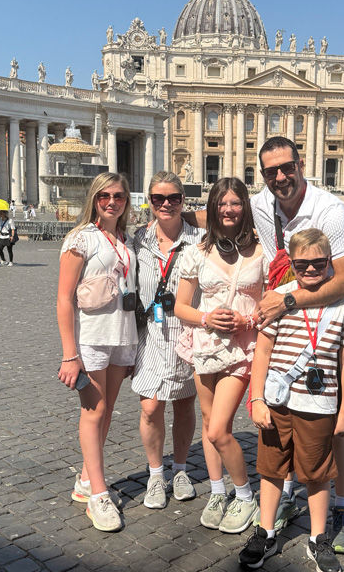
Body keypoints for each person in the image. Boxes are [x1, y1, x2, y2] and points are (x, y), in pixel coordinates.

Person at [248, 137, 344, 554]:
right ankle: (284, 495)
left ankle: (343, 505)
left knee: (336, 425)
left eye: (287, 167)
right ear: (263, 175)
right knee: (282, 416)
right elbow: (223, 214)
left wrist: (288, 300)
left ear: (300, 164)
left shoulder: (329, 209)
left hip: (329, 327)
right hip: (284, 327)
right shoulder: (262, 205)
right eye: (271, 171)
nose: (280, 177)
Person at [240, 229, 344, 572]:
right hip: (278, 401)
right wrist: (257, 399)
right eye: (302, 264)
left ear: (330, 262)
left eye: (318, 263)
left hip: (320, 404)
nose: (310, 269)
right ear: (291, 264)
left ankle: (318, 537)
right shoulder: (277, 298)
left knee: (318, 473)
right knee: (271, 468)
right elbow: (262, 353)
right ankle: (265, 531)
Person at [174, 178, 268, 534]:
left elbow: (271, 303)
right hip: (205, 345)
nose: (228, 210)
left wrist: (249, 320)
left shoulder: (263, 250)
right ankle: (217, 491)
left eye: (235, 203)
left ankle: (244, 495)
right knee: (210, 421)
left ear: (245, 207)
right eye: (222, 203)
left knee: (217, 430)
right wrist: (206, 318)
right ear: (213, 208)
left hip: (243, 348)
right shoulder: (196, 252)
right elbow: (181, 306)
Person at [57, 172, 137, 533]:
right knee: (94, 411)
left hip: (122, 335)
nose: (111, 202)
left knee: (107, 412)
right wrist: (69, 354)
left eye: (118, 196)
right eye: (104, 196)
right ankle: (99, 496)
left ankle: (87, 480)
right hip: (91, 338)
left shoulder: (126, 239)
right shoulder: (81, 238)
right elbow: (64, 299)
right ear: (94, 199)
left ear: (126, 201)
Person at [130, 171, 203, 510]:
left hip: (187, 331)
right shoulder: (138, 239)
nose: (166, 204)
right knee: (150, 407)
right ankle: (156, 473)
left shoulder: (200, 238)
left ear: (183, 200)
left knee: (184, 404)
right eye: (159, 198)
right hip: (151, 331)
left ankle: (181, 468)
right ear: (150, 201)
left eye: (174, 198)